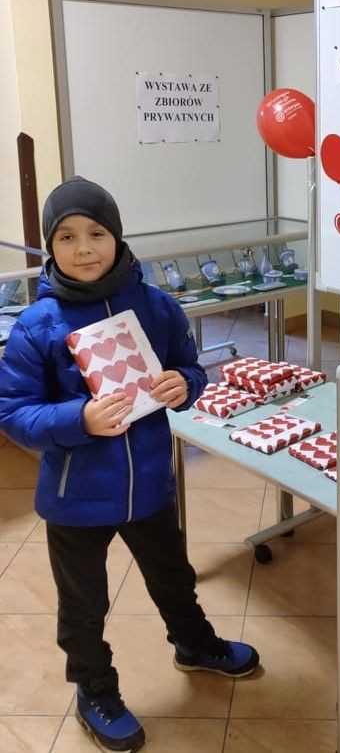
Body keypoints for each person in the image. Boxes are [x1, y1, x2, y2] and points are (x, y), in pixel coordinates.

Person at [0, 177, 259, 752]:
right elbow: (13, 413)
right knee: (83, 604)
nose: (83, 248)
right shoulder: (38, 325)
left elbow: (190, 368)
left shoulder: (158, 306)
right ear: (50, 246)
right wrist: (80, 419)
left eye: (96, 233)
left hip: (150, 486)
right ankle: (94, 688)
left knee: (174, 577)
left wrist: (183, 384)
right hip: (75, 497)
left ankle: (194, 644)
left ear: (117, 237)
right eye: (66, 237)